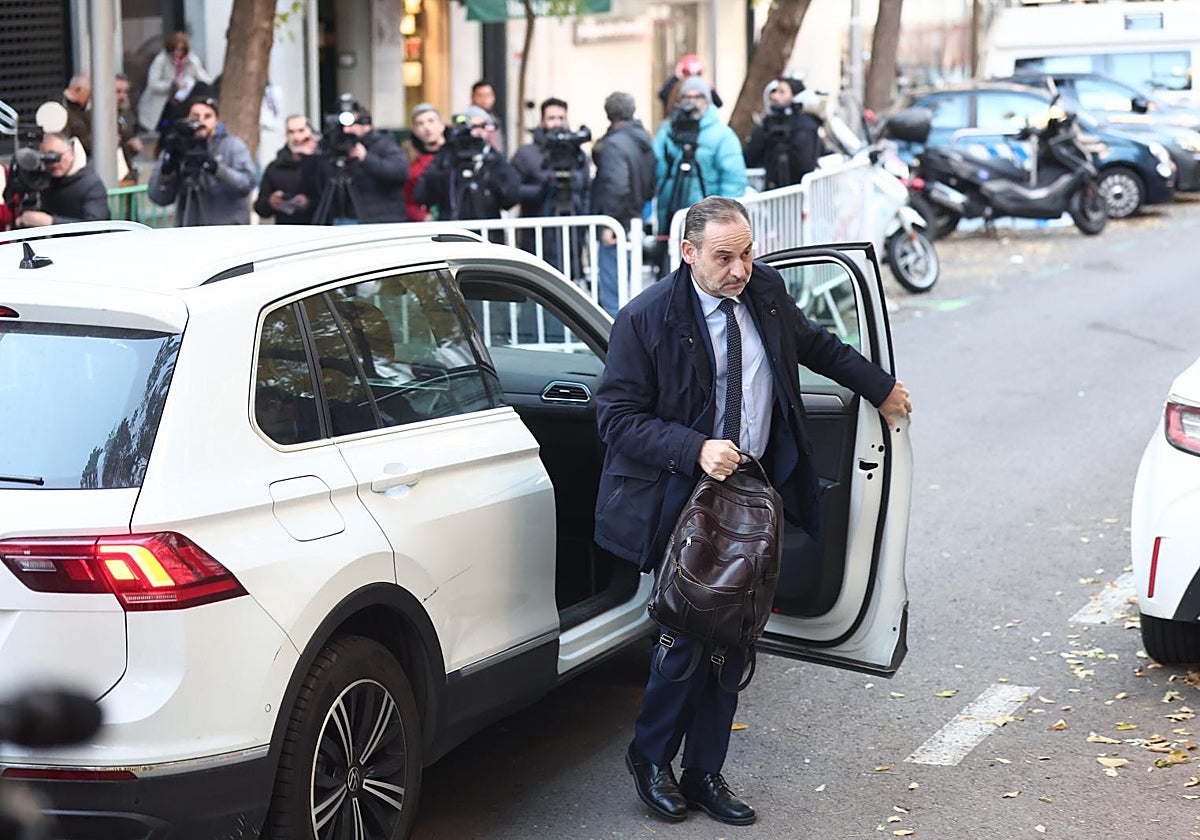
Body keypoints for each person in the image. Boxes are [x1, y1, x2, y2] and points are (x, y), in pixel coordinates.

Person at [594, 196, 911, 828]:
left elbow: (815, 343)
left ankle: (705, 771)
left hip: (757, 491)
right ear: (688, 253)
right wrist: (694, 448)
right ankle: (650, 759)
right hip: (687, 494)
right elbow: (616, 419)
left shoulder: (762, 290)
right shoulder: (646, 318)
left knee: (736, 639)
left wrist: (877, 386)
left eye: (746, 253)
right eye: (723, 257)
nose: (739, 269)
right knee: (686, 635)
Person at [653, 77, 746, 271]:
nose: (692, 102)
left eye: (698, 97)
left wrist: (722, 215)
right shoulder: (668, 132)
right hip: (670, 213)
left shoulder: (722, 135)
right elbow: (657, 169)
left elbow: (733, 180)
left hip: (707, 215)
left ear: (708, 101)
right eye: (686, 96)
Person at [591, 91, 656, 316]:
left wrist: (609, 224)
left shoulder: (614, 146)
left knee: (613, 297)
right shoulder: (644, 141)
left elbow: (616, 186)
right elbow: (650, 183)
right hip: (635, 218)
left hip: (617, 225)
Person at [510, 97, 591, 272]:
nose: (557, 123)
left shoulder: (577, 155)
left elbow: (586, 190)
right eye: (552, 118)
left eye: (561, 118)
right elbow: (512, 191)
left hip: (572, 233)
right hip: (538, 235)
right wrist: (541, 188)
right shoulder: (527, 154)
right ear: (542, 121)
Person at [147, 96, 257, 226]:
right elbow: (158, 197)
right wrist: (168, 170)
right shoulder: (178, 147)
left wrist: (216, 168)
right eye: (195, 116)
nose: (201, 121)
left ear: (216, 120)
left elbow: (246, 184)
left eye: (207, 116)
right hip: (191, 232)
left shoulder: (233, 146)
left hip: (227, 232)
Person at [414, 106, 519, 234]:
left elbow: (511, 196)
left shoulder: (492, 157)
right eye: (472, 127)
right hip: (453, 234)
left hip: (488, 235)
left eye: (481, 126)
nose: (476, 132)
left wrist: (489, 178)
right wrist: (449, 171)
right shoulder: (448, 155)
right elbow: (422, 194)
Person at [305, 100, 409, 224]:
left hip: (381, 219)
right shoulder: (337, 149)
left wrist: (365, 158)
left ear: (366, 125)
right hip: (347, 218)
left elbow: (400, 172)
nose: (346, 131)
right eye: (343, 126)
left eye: (351, 125)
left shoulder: (384, 144)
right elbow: (321, 184)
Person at [6, 132, 109, 227]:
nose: (54, 164)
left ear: (72, 153)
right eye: (47, 160)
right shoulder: (45, 181)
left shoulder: (91, 184)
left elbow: (95, 227)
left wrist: (51, 221)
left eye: (57, 157)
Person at [138, 31, 213, 152]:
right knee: (166, 131)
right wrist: (172, 85)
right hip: (163, 104)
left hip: (181, 103)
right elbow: (153, 83)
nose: (179, 54)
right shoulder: (161, 60)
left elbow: (203, 77)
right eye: (176, 50)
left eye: (182, 50)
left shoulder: (191, 61)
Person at [743, 77, 823, 190]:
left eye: (782, 92)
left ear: (796, 96)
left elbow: (804, 162)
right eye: (775, 91)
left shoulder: (805, 125)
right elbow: (750, 155)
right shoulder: (767, 124)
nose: (774, 96)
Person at [255, 115, 318, 225]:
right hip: (287, 229)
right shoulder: (275, 167)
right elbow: (260, 207)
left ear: (310, 133)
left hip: (321, 230)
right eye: (291, 132)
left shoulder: (324, 163)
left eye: (301, 131)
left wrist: (308, 203)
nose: (296, 137)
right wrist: (271, 202)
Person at [404, 102, 445, 222]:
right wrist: (424, 217)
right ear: (415, 130)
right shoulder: (413, 166)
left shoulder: (457, 155)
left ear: (441, 125)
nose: (426, 127)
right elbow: (408, 202)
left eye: (431, 121)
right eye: (420, 124)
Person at [657, 54, 723, 113]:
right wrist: (676, 77)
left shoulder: (703, 87)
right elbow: (663, 95)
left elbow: (718, 104)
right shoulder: (677, 87)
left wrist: (711, 91)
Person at [116, 73, 143, 185]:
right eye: (118, 92)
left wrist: (134, 145)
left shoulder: (129, 115)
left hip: (127, 171)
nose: (122, 96)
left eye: (126, 92)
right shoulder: (98, 118)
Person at [470, 80, 505, 153]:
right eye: (480, 95)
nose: (485, 99)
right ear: (473, 97)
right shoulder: (473, 113)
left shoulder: (491, 116)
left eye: (488, 95)